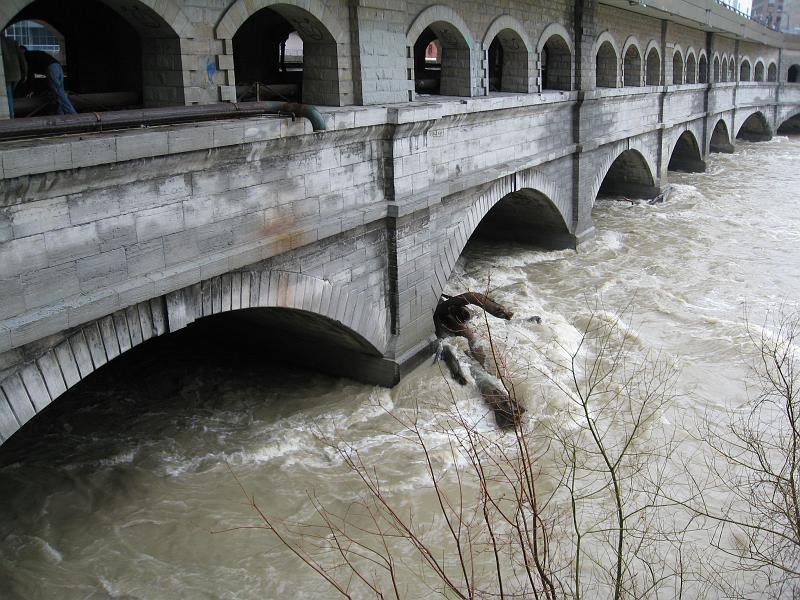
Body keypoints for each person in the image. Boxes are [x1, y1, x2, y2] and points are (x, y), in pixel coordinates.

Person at [22, 47, 76, 115]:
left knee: (58, 93)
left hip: (51, 68)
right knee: (60, 92)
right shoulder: (34, 53)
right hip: (58, 66)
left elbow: (30, 74)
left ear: (22, 51)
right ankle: (61, 114)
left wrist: (30, 89)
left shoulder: (27, 56)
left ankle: (72, 113)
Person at [1, 36, 26, 118]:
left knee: (9, 95)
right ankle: (12, 114)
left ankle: (11, 116)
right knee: (10, 94)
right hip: (16, 74)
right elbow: (22, 59)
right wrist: (24, 73)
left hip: (6, 75)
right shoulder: (12, 41)